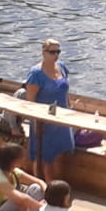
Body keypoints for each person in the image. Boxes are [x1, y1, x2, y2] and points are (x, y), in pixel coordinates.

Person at [24, 38, 74, 181]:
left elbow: (65, 90)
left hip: (62, 118)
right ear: (44, 53)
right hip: (44, 120)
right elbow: (30, 100)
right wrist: (35, 122)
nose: (56, 55)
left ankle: (57, 184)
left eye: (58, 51)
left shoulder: (62, 67)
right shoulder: (36, 73)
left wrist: (70, 108)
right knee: (44, 156)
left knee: (62, 152)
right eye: (52, 52)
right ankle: (43, 185)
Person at [0, 142, 45, 211]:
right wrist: (42, 206)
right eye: (21, 157)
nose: (24, 159)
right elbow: (21, 199)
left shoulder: (13, 171)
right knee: (17, 199)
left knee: (36, 188)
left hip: (8, 204)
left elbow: (39, 182)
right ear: (13, 161)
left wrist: (48, 195)